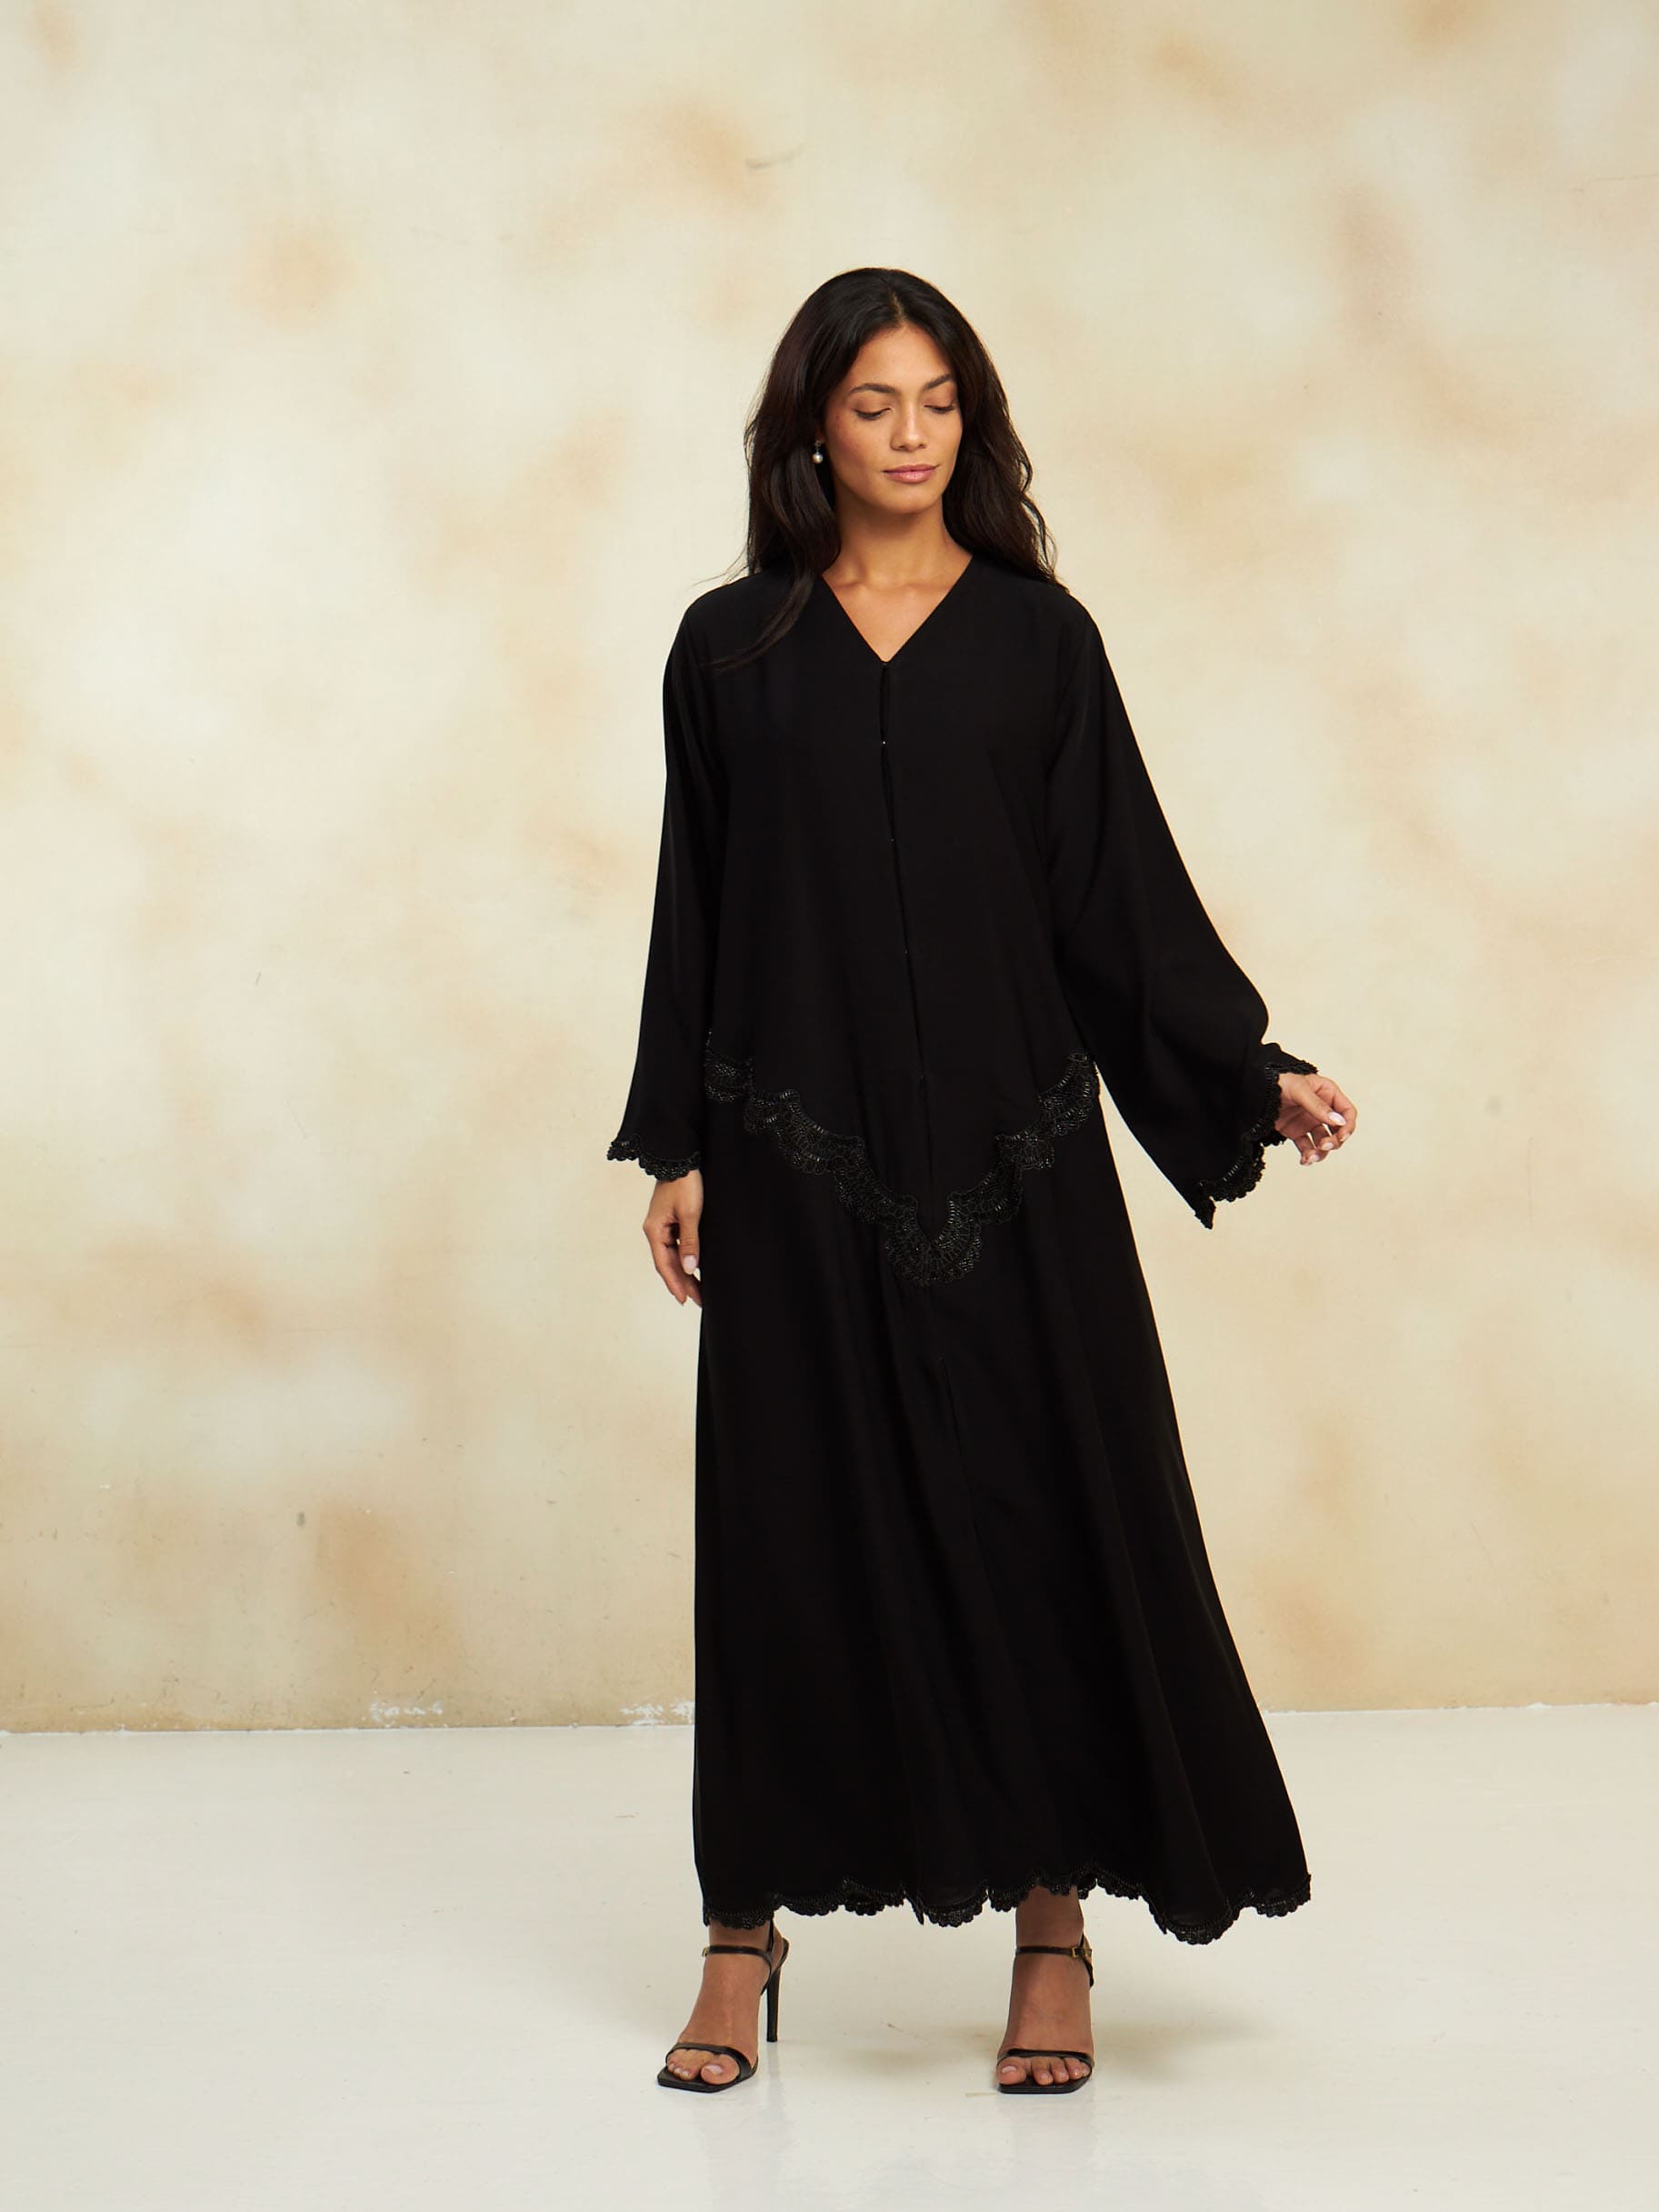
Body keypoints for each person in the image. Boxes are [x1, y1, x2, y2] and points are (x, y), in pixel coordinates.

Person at [606, 268, 1357, 2096]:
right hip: (793, 1152)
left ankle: (1050, 1926)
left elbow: (1114, 895)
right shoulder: (730, 647)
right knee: (784, 1537)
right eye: (874, 402)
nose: (912, 433)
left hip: (1014, 1159)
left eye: (939, 399)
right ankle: (739, 1931)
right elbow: (695, 898)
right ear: (812, 426)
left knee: (1044, 1520)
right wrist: (678, 1141)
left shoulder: (1037, 641)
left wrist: (1242, 1071)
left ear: (976, 418)